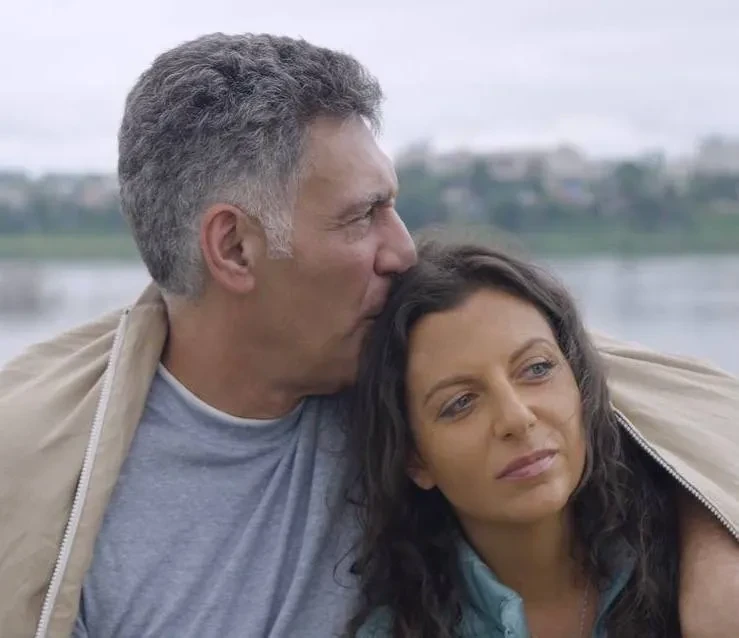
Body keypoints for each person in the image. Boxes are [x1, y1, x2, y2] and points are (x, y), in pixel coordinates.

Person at [0, 32, 736, 638]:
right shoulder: (49, 472)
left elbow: (672, 421)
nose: (403, 250)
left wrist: (715, 558)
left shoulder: (414, 349)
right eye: (362, 216)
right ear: (234, 248)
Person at [347, 240, 739, 638]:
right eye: (461, 402)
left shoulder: (698, 567)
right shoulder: (397, 630)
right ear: (414, 458)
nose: (517, 418)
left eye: (536, 369)